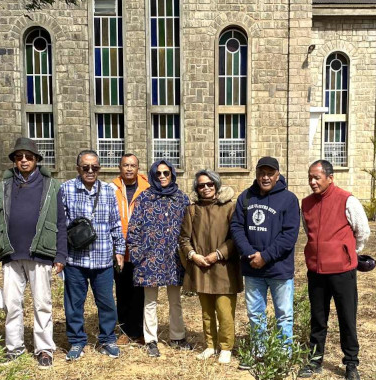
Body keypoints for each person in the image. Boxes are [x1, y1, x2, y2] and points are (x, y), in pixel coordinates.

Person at [0, 138, 66, 368]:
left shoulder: (51, 185)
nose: (23, 160)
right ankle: (14, 349)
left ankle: (44, 349)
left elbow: (61, 222)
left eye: (28, 157)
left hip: (40, 253)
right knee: (12, 305)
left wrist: (60, 255)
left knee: (42, 304)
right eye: (19, 157)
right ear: (14, 160)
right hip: (11, 254)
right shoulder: (5, 186)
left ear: (36, 159)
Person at [298, 160, 371, 380]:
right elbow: (308, 230)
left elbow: (362, 231)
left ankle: (351, 364)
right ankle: (315, 360)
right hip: (316, 271)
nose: (312, 182)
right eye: (310, 177)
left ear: (330, 178)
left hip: (342, 271)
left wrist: (349, 253)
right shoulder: (306, 203)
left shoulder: (347, 200)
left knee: (347, 318)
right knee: (318, 318)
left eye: (317, 178)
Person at [229, 156, 300, 367]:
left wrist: (265, 256)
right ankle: (258, 353)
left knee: (284, 315)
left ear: (277, 175)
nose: (265, 177)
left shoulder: (289, 199)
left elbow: (289, 235)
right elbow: (236, 227)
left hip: (279, 270)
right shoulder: (246, 197)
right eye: (262, 173)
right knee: (255, 314)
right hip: (253, 268)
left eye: (270, 173)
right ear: (256, 174)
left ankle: (282, 357)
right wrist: (250, 254)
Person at [59, 150, 125, 360]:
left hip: (103, 258)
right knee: (74, 304)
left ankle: (107, 339)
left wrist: (120, 250)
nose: (90, 171)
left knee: (106, 303)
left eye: (94, 167)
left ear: (99, 168)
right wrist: (60, 254)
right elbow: (60, 225)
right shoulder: (66, 189)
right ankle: (77, 341)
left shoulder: (108, 191)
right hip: (75, 259)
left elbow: (115, 223)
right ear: (78, 168)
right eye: (85, 167)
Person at [126, 160, 192, 358]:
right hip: (150, 257)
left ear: (172, 174)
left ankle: (177, 337)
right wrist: (136, 253)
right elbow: (134, 227)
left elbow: (190, 227)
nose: (162, 176)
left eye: (166, 173)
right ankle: (151, 340)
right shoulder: (145, 198)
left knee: (175, 300)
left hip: (174, 257)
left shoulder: (181, 198)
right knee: (150, 301)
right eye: (158, 173)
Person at [178, 169, 241, 365]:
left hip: (224, 267)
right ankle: (210, 345)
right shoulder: (192, 210)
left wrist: (218, 254)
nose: (206, 188)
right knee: (206, 312)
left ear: (216, 184)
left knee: (224, 311)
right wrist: (193, 255)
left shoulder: (229, 207)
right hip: (201, 267)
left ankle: (226, 347)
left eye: (209, 184)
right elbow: (184, 238)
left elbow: (235, 237)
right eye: (201, 185)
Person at [112, 153, 148, 346]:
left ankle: (140, 331)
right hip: (119, 251)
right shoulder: (112, 188)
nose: (129, 168)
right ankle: (125, 331)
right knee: (123, 291)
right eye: (125, 165)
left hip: (141, 250)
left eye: (132, 165)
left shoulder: (147, 188)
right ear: (120, 167)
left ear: (137, 168)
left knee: (140, 293)